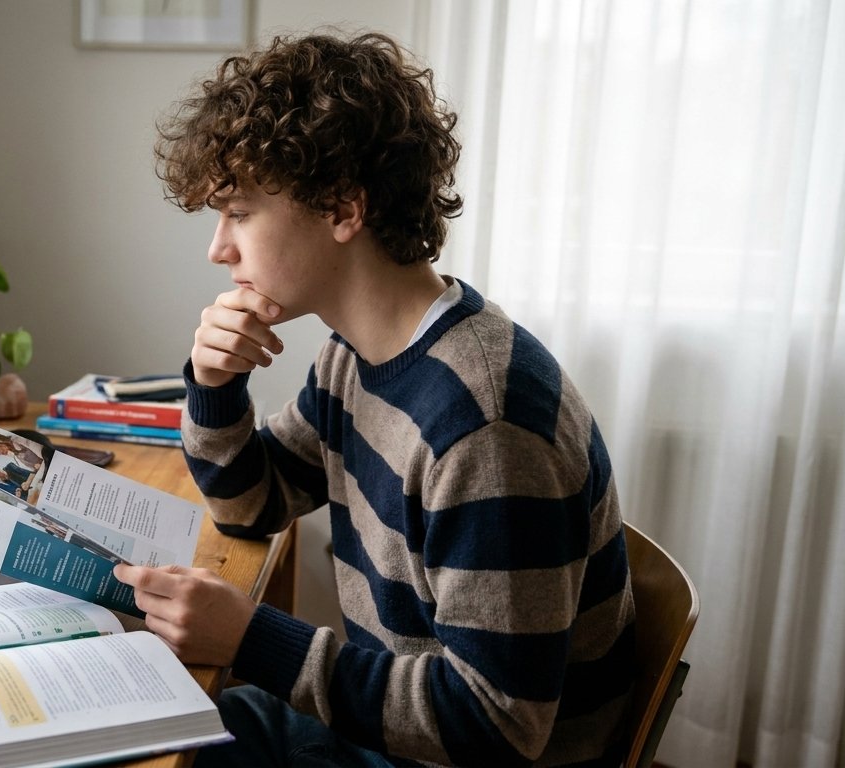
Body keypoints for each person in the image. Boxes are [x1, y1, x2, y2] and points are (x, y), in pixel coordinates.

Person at [112, 31, 636, 767]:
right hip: (401, 742)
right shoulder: (357, 354)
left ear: (342, 209)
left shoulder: (484, 426)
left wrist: (252, 637)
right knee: (166, 721)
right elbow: (251, 504)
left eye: (240, 212)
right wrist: (214, 385)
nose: (218, 248)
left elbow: (499, 728)